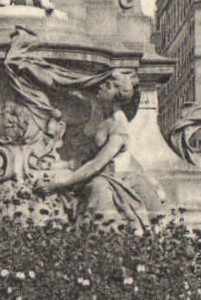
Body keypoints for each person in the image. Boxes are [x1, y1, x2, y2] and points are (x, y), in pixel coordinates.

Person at [41, 71, 164, 229]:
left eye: (108, 85)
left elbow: (97, 165)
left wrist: (60, 184)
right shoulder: (96, 109)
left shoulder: (119, 126)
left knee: (99, 190)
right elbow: (64, 91)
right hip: (82, 169)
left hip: (112, 178)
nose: (101, 86)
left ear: (116, 94)